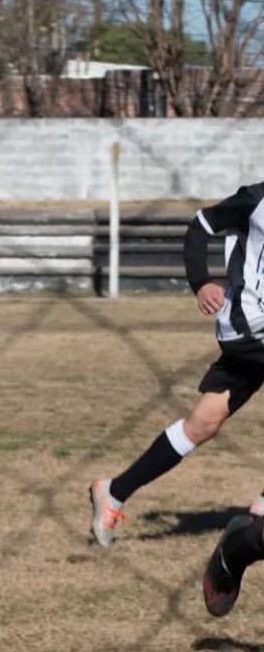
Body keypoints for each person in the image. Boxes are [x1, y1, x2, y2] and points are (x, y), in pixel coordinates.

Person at [90, 181, 264, 547]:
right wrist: (201, 282)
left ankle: (113, 492)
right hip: (247, 324)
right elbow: (200, 225)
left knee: (202, 423)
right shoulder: (255, 199)